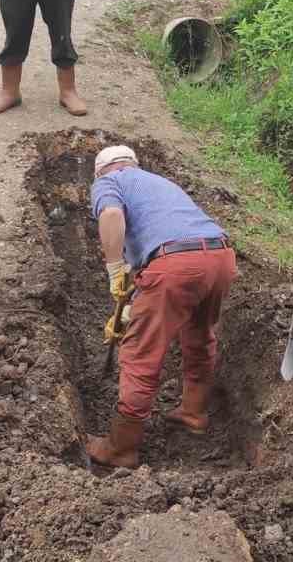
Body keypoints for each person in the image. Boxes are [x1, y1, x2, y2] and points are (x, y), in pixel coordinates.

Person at [84, 145, 238, 468]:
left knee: (140, 352)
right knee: (199, 333)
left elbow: (111, 215)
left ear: (101, 171)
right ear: (133, 164)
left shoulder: (109, 181)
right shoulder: (158, 183)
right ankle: (194, 412)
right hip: (220, 256)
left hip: (176, 264)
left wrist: (114, 268)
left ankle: (121, 447)